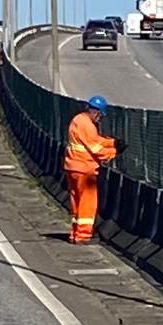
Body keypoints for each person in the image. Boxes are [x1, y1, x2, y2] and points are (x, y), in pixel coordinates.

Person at [63, 95, 123, 243]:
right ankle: (83, 236)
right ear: (97, 112)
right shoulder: (88, 126)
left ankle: (75, 233)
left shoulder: (78, 120)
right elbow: (96, 148)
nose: (100, 119)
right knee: (87, 203)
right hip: (85, 169)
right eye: (100, 116)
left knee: (76, 201)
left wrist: (112, 142)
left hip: (72, 167)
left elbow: (93, 140)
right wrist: (115, 152)